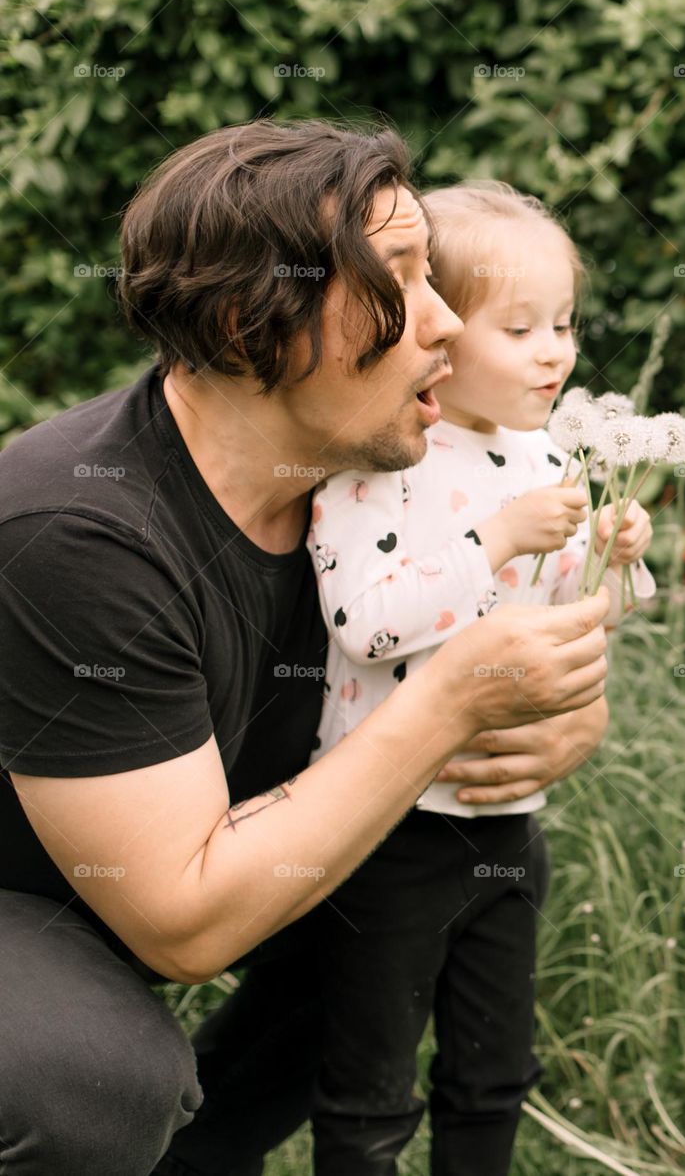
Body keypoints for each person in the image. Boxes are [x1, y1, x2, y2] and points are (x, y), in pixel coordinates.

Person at [0, 120, 613, 1176]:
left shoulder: (369, 482)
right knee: (85, 1081)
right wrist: (448, 707)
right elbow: (182, 927)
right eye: (403, 284)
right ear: (251, 328)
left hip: (173, 858)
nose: (449, 323)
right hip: (26, 900)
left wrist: (568, 713)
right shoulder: (78, 531)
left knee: (388, 918)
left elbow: (472, 622)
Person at [302, 181, 656, 1175]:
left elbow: (583, 621)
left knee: (494, 1065)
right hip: (392, 825)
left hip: (508, 817)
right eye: (521, 327)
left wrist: (618, 555)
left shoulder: (544, 457)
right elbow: (364, 624)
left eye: (565, 324)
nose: (556, 350)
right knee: (370, 1079)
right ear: (442, 333)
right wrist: (500, 535)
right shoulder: (384, 463)